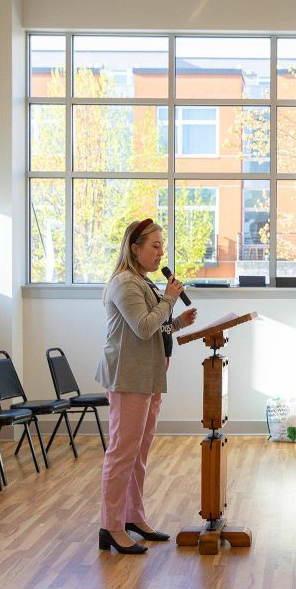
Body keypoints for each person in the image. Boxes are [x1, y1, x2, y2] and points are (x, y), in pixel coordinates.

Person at [95, 219, 197, 554]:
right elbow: (142, 327)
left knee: (138, 454)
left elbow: (156, 327)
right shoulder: (125, 283)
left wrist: (178, 322)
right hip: (128, 378)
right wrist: (169, 300)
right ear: (134, 248)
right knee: (121, 453)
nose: (160, 252)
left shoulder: (143, 282)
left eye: (161, 246)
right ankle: (111, 526)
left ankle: (133, 517)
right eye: (155, 246)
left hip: (148, 377)